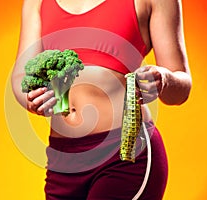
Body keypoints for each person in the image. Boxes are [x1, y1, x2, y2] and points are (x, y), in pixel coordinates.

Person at [11, 0, 192, 199]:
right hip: (64, 158)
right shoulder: (36, 2)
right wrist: (32, 96)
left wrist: (164, 79)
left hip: (125, 151)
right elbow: (22, 76)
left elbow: (182, 87)